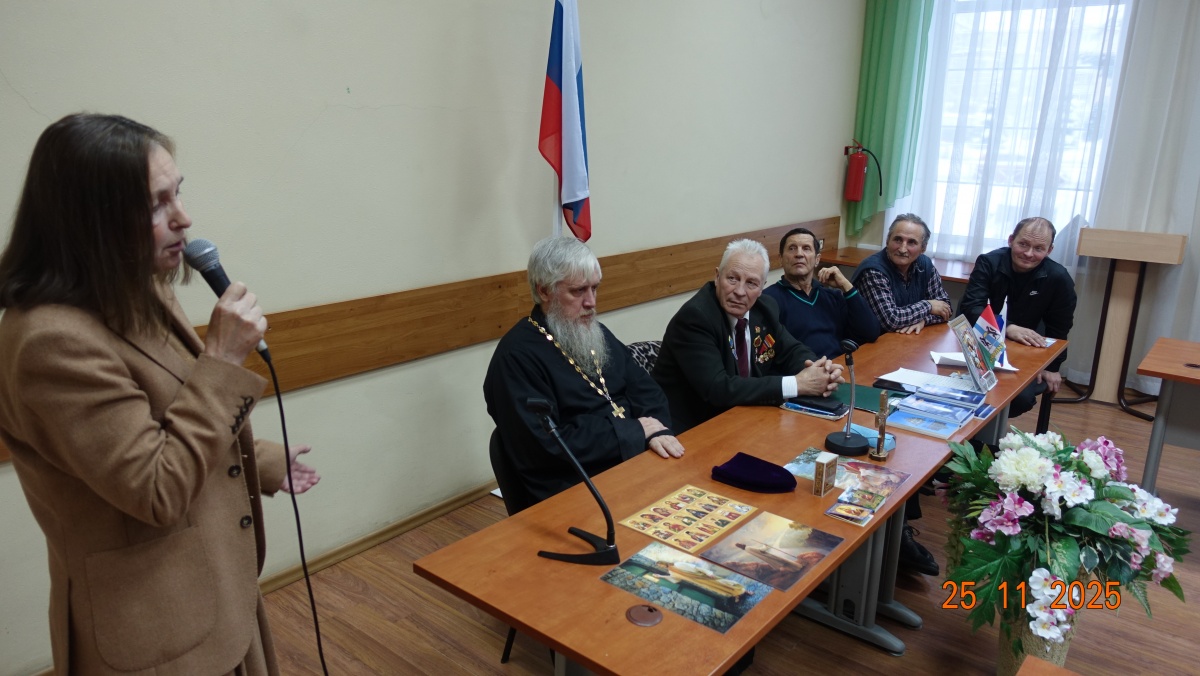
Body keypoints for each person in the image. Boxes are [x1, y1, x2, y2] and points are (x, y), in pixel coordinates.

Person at [0, 114, 319, 675]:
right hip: (154, 625)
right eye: (155, 205)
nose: (183, 218)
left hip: (216, 587)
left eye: (178, 193)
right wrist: (222, 360)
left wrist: (259, 459)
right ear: (89, 220)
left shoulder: (133, 288)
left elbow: (164, 418)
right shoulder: (49, 343)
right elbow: (155, 489)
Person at [483, 236, 684, 503]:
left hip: (635, 461)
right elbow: (547, 446)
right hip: (577, 489)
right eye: (578, 291)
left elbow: (647, 390)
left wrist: (656, 431)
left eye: (594, 288)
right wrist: (635, 431)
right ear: (544, 291)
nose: (591, 302)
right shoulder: (515, 359)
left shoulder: (594, 332)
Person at [652, 239, 843, 433]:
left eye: (751, 283)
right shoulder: (695, 317)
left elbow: (792, 350)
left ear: (761, 288)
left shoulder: (765, 308)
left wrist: (818, 370)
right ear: (717, 277)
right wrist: (797, 384)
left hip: (744, 416)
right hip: (693, 428)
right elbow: (718, 388)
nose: (739, 291)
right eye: (732, 279)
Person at [959, 216, 1077, 417]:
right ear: (1011, 240)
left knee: (1020, 398)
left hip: (1026, 351)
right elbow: (971, 307)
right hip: (981, 343)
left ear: (1049, 250)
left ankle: (987, 432)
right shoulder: (988, 262)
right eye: (1023, 244)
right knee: (963, 387)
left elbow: (1060, 327)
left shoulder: (1059, 277)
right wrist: (1008, 328)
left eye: (1038, 248)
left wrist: (1053, 366)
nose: (1029, 253)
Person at [762, 227, 881, 358]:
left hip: (839, 365)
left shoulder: (832, 296)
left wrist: (846, 286)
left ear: (817, 259)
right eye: (792, 248)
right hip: (802, 368)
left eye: (806, 248)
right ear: (781, 259)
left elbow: (871, 333)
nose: (799, 254)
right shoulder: (768, 300)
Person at [852, 213, 953, 334]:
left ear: (923, 248)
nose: (902, 249)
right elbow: (891, 320)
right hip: (869, 341)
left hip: (904, 338)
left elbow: (946, 308)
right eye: (898, 240)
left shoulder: (925, 265)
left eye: (911, 242)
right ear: (887, 240)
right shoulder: (874, 271)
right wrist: (928, 306)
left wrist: (924, 320)